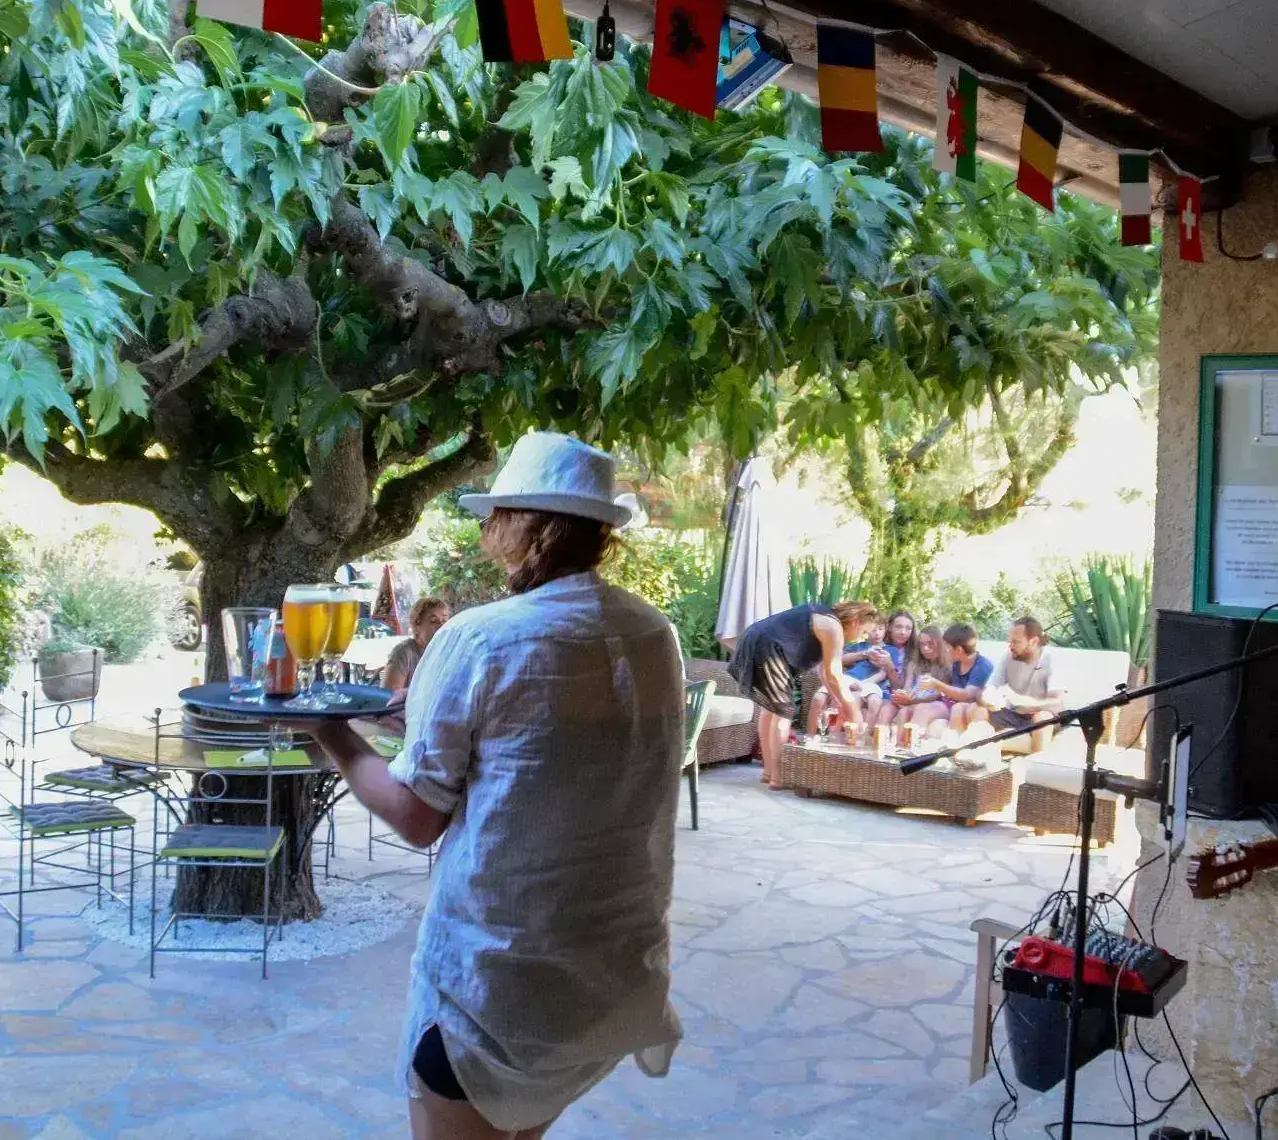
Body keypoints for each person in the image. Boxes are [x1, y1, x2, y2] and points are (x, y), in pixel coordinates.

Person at [306, 431, 684, 1139]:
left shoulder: (479, 638)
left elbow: (417, 817)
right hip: (607, 980)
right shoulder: (653, 633)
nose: (488, 534)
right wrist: (412, 722)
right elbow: (558, 752)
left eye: (496, 518)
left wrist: (329, 733)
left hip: (495, 991)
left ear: (523, 526)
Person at [728, 599, 879, 788]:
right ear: (856, 622)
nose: (862, 638)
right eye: (864, 632)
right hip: (769, 648)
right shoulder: (833, 628)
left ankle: (769, 772)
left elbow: (825, 672)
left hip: (753, 638)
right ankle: (778, 778)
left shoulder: (826, 616)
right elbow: (834, 674)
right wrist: (854, 712)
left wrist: (839, 702)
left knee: (771, 710)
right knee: (783, 713)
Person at [907, 622, 997, 735]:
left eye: (947, 647)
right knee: (921, 708)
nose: (944, 650)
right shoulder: (956, 663)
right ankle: (911, 742)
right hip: (950, 703)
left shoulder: (982, 665)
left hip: (970, 708)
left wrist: (936, 684)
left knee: (956, 708)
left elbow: (967, 696)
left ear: (959, 650)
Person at [383, 597, 452, 696]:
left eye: (444, 621)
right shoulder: (404, 653)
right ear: (416, 626)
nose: (441, 626)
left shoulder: (448, 653)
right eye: (433, 621)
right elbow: (389, 697)